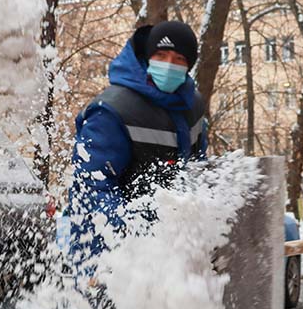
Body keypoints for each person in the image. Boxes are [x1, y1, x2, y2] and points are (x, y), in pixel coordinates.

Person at [68, 20, 209, 269]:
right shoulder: (113, 110)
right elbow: (91, 189)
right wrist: (133, 237)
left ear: (189, 65)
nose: (169, 65)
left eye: (179, 59)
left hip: (169, 256)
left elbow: (198, 170)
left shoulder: (193, 107)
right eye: (161, 55)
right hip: (110, 257)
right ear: (147, 57)